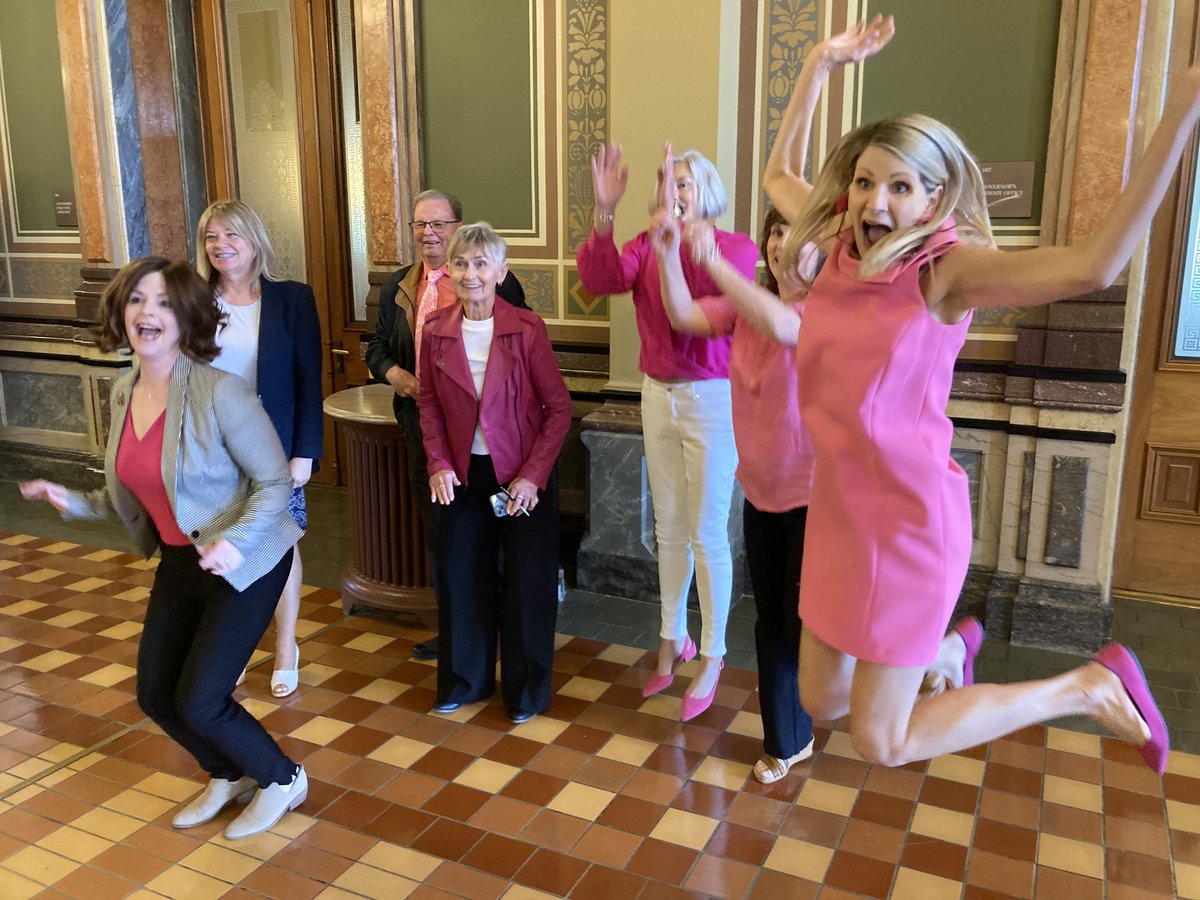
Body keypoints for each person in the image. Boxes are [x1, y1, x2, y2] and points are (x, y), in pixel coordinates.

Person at [683, 15, 1185, 773]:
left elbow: (1095, 264)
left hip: (907, 523)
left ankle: (1084, 684)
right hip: (838, 515)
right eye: (863, 180)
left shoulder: (942, 273)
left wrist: (1186, 100)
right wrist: (818, 62)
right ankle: (949, 645)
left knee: (882, 741)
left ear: (934, 196)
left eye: (900, 186)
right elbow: (777, 174)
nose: (874, 200)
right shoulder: (836, 249)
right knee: (821, 701)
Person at [20, 257, 308, 838]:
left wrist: (236, 542)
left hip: (249, 561)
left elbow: (276, 483)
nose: (146, 313)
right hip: (184, 557)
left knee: (201, 699)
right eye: (135, 300)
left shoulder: (220, 392)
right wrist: (72, 501)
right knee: (156, 694)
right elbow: (132, 487)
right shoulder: (126, 392)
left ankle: (281, 778)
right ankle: (229, 771)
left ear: (186, 318)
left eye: (162, 303)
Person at [577, 145, 757, 720]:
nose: (675, 192)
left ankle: (714, 653)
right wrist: (605, 211)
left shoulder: (736, 250)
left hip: (712, 398)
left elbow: (696, 315)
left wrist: (672, 248)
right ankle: (670, 638)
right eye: (668, 182)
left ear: (709, 191)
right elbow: (601, 277)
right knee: (668, 527)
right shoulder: (644, 244)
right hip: (657, 394)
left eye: (686, 182)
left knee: (708, 532)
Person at [653, 203, 815, 781]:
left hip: (820, 496)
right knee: (774, 618)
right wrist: (671, 250)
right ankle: (788, 738)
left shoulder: (828, 309)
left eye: (796, 229)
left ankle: (924, 662)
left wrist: (714, 259)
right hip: (765, 491)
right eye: (775, 229)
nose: (781, 241)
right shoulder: (744, 309)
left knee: (811, 624)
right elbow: (679, 311)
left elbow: (785, 325)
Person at [417, 223, 571, 723]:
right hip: (463, 476)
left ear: (501, 272)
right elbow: (429, 405)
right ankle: (466, 679)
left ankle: (526, 691)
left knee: (527, 583)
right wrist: (438, 462)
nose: (471, 273)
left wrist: (532, 477)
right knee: (460, 576)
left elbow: (558, 409)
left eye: (482, 264)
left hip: (521, 477)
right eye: (462, 263)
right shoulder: (436, 329)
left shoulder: (526, 329)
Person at [366, 189, 528, 661]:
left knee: (491, 534)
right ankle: (455, 629)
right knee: (444, 536)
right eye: (419, 225)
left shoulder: (493, 280)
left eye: (438, 224)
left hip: (487, 439)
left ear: (458, 227)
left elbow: (517, 348)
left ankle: (500, 628)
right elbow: (376, 346)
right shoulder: (399, 284)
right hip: (424, 430)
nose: (428, 234)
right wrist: (396, 376)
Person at [197, 200, 323, 698]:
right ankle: (237, 644)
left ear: (254, 241)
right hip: (210, 450)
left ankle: (286, 644)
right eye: (211, 236)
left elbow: (307, 380)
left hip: (274, 447)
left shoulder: (292, 299)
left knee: (279, 544)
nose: (221, 245)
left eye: (231, 235)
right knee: (222, 545)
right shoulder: (191, 299)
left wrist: (306, 451)